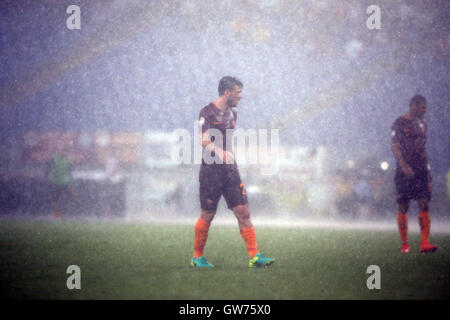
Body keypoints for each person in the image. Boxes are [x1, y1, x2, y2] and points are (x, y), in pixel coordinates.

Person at [191, 76, 275, 268]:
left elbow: (227, 140)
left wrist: (234, 156)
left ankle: (255, 257)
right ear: (227, 92)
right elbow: (202, 139)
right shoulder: (207, 112)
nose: (241, 96)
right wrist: (219, 152)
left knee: (243, 211)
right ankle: (197, 257)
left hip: (230, 171)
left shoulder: (232, 113)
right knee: (208, 214)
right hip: (211, 171)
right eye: (238, 92)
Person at [391, 94, 437, 253]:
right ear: (414, 106)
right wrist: (403, 166)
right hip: (405, 171)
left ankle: (425, 243)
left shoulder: (423, 124)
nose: (425, 110)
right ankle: (405, 244)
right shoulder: (399, 123)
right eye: (423, 107)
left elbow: (423, 149)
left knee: (424, 203)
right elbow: (395, 146)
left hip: (421, 170)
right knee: (403, 205)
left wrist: (428, 174)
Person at [48, 146, 73, 220]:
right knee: (55, 200)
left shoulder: (68, 160)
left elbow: (71, 170)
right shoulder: (55, 158)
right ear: (60, 151)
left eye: (66, 152)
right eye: (63, 151)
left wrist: (70, 180)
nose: (64, 153)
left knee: (71, 196)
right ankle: (57, 215)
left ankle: (73, 210)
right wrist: (50, 175)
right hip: (56, 182)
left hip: (65, 182)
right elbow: (49, 167)